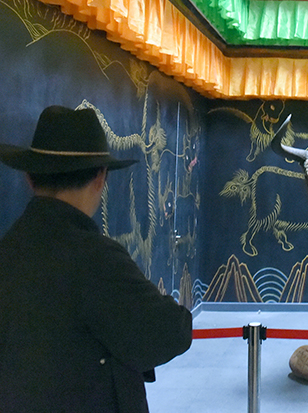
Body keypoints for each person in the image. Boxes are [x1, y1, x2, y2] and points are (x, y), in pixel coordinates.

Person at [0, 106, 193, 412]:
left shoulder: (9, 248)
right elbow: (170, 332)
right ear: (100, 177)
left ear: (29, 178)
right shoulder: (96, 259)